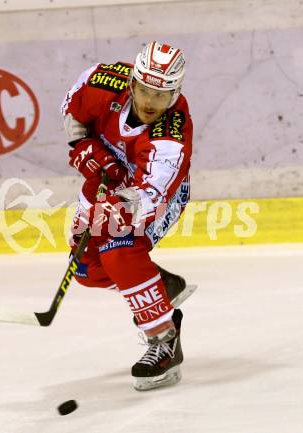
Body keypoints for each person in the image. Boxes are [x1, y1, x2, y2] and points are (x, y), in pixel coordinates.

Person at [61, 41, 193, 391]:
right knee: (87, 268)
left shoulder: (171, 135)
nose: (151, 102)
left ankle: (163, 339)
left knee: (118, 247)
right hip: (109, 181)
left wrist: (118, 205)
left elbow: (152, 194)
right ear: (132, 82)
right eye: (145, 90)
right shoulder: (105, 82)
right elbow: (73, 108)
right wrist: (81, 145)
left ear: (175, 95)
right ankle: (162, 286)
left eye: (162, 96)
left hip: (156, 197)